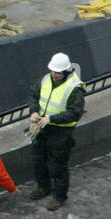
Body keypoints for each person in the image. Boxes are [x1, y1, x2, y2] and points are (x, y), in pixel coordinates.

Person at [28, 52, 86, 210]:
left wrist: (52, 119)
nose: (54, 74)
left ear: (66, 71)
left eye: (58, 72)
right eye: (53, 71)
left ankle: (59, 196)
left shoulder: (74, 89)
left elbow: (74, 113)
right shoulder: (45, 80)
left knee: (58, 165)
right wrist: (34, 112)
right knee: (38, 159)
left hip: (60, 132)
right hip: (42, 127)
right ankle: (43, 187)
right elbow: (34, 95)